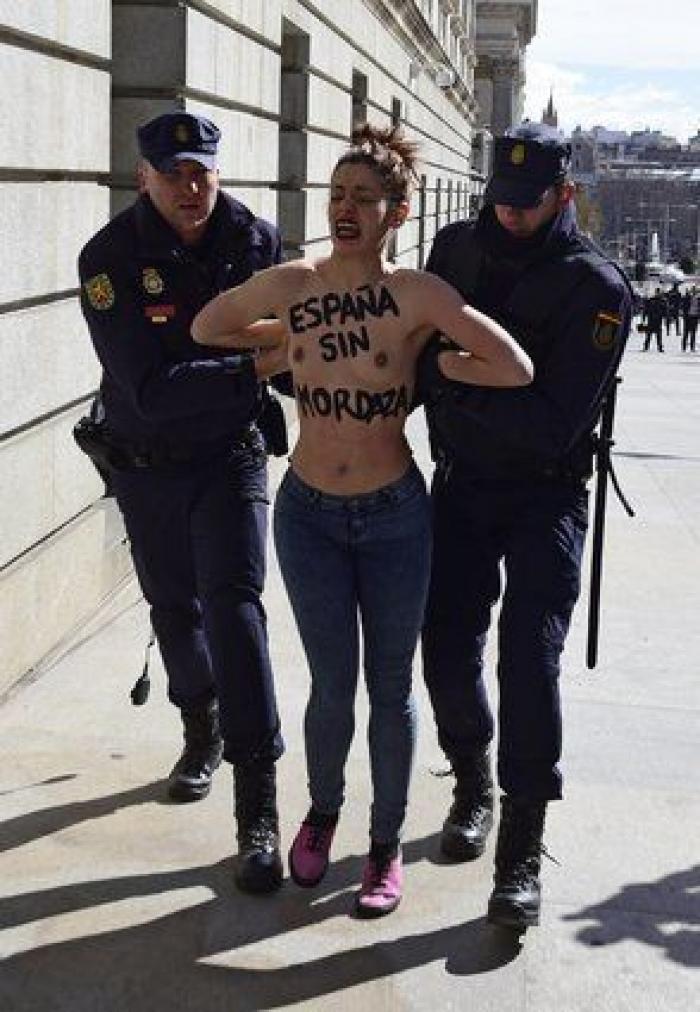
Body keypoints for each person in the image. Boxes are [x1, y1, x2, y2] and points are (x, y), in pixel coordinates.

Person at [192, 124, 533, 917]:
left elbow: (512, 365)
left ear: (396, 213)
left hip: (393, 518)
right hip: (307, 512)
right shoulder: (297, 282)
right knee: (330, 687)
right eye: (337, 195)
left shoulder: (418, 295)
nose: (345, 208)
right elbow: (208, 327)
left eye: (363, 198)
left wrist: (433, 360)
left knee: (390, 688)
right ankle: (322, 811)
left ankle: (384, 844)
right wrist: (283, 340)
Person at [417, 121, 632, 930]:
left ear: (564, 196)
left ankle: (521, 846)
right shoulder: (454, 252)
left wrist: (450, 382)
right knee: (443, 646)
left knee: (528, 662)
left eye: (526, 204)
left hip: (546, 495)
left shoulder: (597, 288)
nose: (507, 217)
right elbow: (413, 356)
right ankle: (472, 778)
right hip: (464, 485)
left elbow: (552, 424)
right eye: (498, 201)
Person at [77, 112, 286, 895]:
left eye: (202, 171)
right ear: (144, 178)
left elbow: (296, 342)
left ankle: (256, 806)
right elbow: (148, 390)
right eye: (174, 174)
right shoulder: (109, 260)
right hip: (148, 462)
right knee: (175, 609)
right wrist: (253, 370)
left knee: (236, 608)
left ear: (217, 172)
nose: (191, 187)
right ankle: (199, 726)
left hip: (230, 455)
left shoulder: (255, 242)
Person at [641, 288, 666, 352]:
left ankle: (660, 347)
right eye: (657, 292)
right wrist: (643, 318)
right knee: (648, 334)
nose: (658, 293)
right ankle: (646, 347)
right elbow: (646, 309)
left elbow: (665, 311)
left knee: (658, 335)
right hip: (651, 319)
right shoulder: (651, 300)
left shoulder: (662, 301)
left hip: (658, 320)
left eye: (659, 292)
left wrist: (666, 318)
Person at [681, 285, 699, 352]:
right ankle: (684, 347)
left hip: (695, 316)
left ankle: (692, 347)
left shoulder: (698, 299)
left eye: (695, 291)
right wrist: (684, 314)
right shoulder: (687, 298)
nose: (694, 292)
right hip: (688, 317)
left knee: (693, 333)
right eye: (693, 290)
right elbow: (684, 306)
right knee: (686, 332)